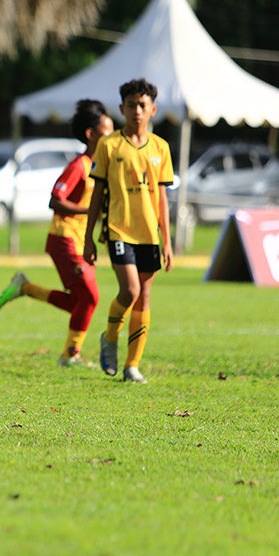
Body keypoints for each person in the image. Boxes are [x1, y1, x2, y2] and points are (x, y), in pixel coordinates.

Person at [0, 100, 114, 367]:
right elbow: (55, 200)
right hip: (64, 238)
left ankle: (25, 287)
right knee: (90, 298)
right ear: (91, 134)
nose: (112, 137)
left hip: (81, 241)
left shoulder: (101, 167)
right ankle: (69, 356)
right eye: (107, 131)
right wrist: (89, 211)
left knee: (80, 303)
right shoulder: (79, 166)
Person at [83, 78, 174, 384]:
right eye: (132, 105)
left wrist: (167, 242)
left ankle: (132, 365)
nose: (137, 110)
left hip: (149, 234)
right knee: (131, 291)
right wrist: (88, 238)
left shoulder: (161, 148)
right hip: (118, 230)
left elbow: (162, 199)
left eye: (143, 105)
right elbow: (97, 194)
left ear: (153, 110)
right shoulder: (109, 146)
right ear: (122, 108)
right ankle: (110, 337)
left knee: (144, 299)